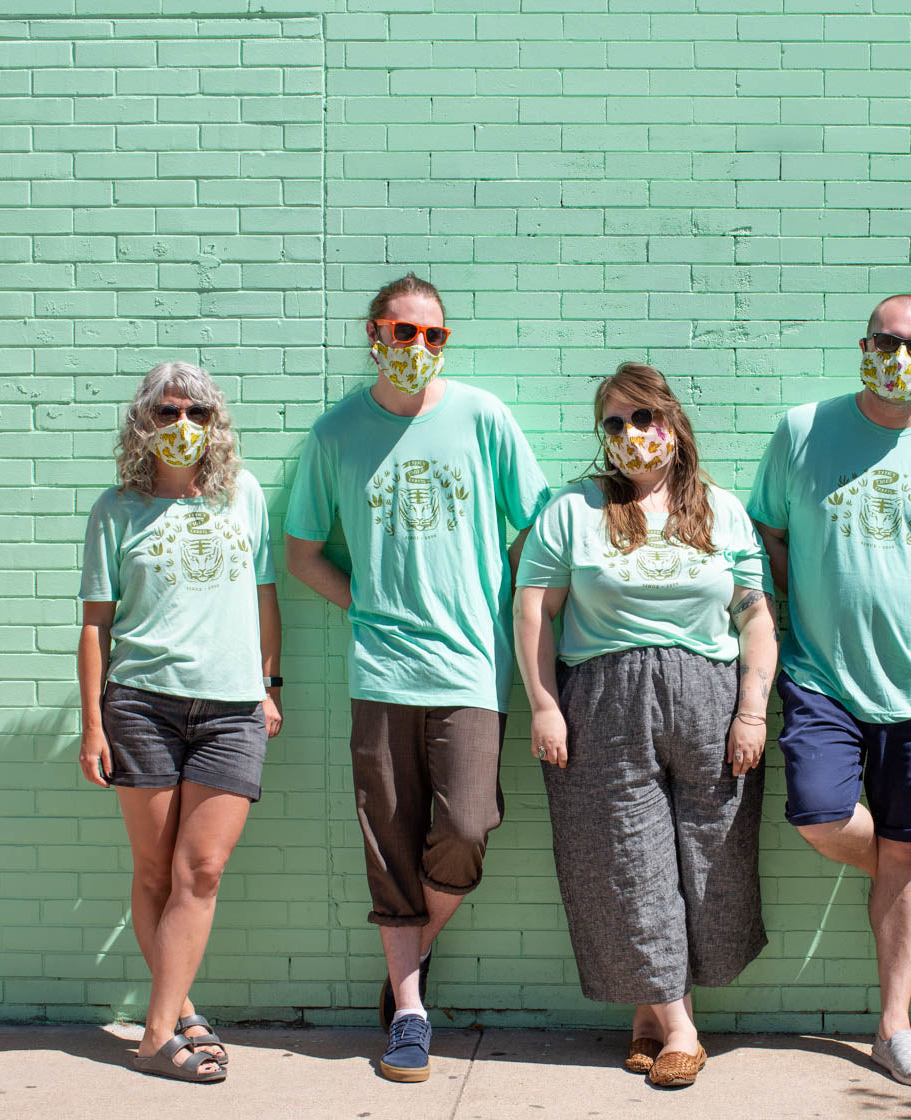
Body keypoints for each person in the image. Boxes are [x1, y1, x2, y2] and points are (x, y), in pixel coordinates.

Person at [284, 272, 550, 1083]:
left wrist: (494, 585)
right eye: (405, 333)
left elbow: (538, 524)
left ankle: (409, 954)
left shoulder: (482, 417)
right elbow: (301, 553)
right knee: (388, 843)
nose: (420, 349)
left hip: (471, 666)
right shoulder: (336, 435)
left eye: (435, 336)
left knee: (467, 827)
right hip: (382, 672)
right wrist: (363, 604)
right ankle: (409, 1009)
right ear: (375, 335)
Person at [748, 294, 911, 1086]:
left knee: (906, 846)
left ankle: (893, 1027)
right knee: (823, 816)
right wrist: (794, 612)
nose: (901, 356)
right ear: (864, 344)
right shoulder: (802, 430)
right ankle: (901, 863)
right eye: (887, 341)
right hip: (821, 677)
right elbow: (768, 532)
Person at [513, 362, 777, 1088]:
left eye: (643, 419)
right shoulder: (574, 508)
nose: (631, 435)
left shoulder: (721, 511)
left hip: (709, 699)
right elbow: (535, 605)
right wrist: (543, 701)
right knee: (621, 860)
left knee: (709, 858)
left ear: (673, 424)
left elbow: (755, 615)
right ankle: (682, 1029)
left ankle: (648, 1016)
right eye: (614, 423)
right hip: (603, 697)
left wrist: (752, 709)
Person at [78, 362, 283, 1084]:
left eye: (196, 411)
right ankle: (180, 1012)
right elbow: (96, 627)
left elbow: (264, 598)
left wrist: (269, 684)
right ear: (144, 421)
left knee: (202, 869)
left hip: (231, 712)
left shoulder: (243, 496)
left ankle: (155, 1031)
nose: (183, 425)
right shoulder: (116, 509)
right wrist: (93, 723)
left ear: (215, 422)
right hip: (140, 706)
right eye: (167, 413)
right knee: (155, 870)